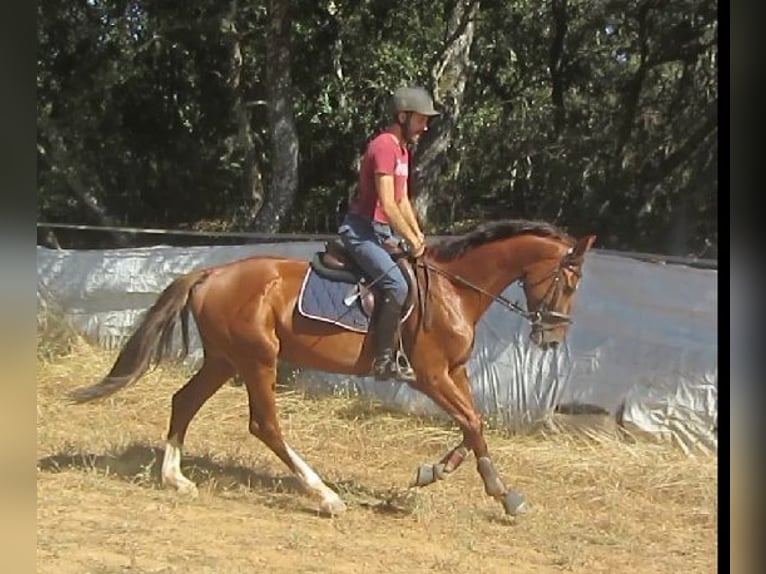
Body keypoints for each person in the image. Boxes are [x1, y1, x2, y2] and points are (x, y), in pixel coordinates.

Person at [337, 86, 439, 383]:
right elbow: (387, 203)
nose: (425, 126)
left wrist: (418, 236)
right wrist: (409, 237)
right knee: (396, 284)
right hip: (361, 232)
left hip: (380, 232)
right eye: (421, 119)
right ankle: (382, 360)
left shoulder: (403, 150)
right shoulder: (383, 146)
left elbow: (404, 199)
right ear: (403, 115)